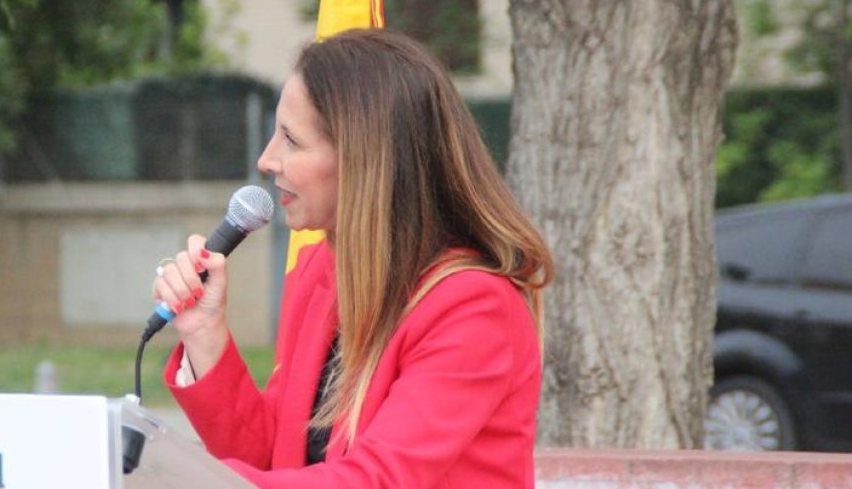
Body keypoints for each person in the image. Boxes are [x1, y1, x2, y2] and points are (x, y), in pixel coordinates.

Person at [151, 29, 554, 488]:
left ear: (364, 159)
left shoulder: (475, 307)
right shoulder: (322, 272)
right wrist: (206, 335)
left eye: (291, 141)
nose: (267, 160)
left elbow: (377, 480)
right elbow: (274, 461)